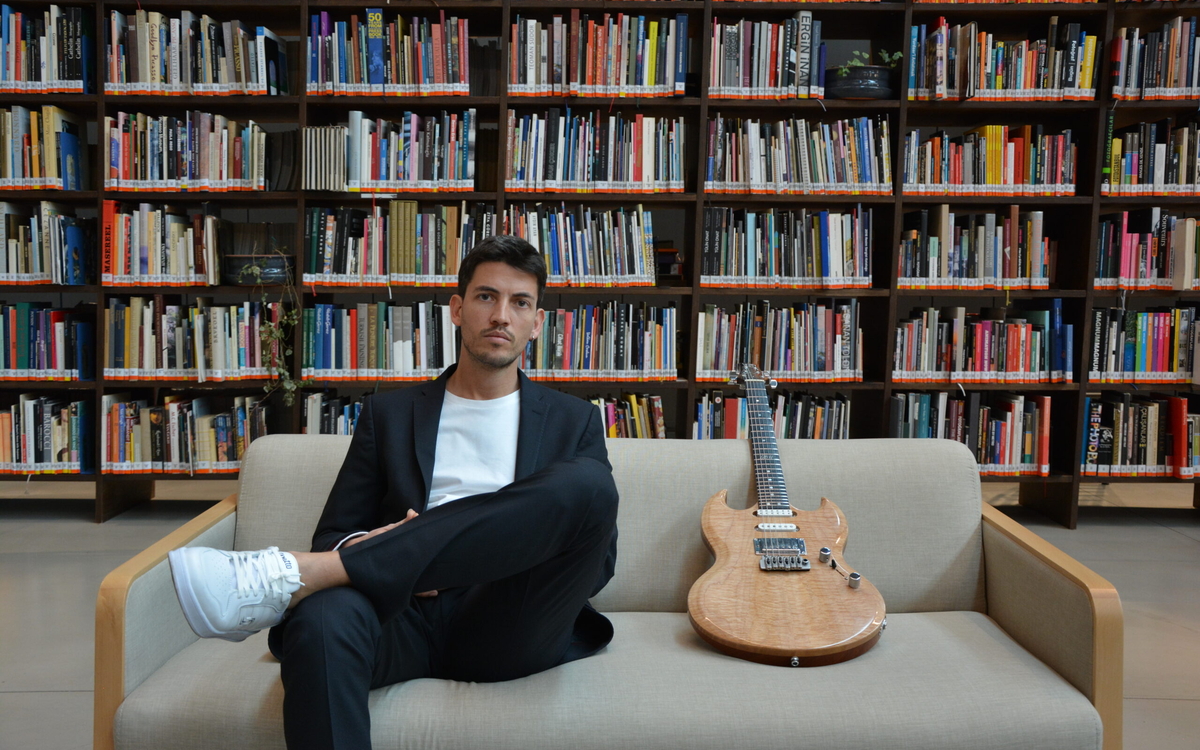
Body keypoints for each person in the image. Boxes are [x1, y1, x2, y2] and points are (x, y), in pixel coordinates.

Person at [167, 235, 619, 750]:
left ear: (537, 323)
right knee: (318, 618)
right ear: (456, 309)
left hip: (510, 619)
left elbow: (597, 560)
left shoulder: (573, 420)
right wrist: (387, 551)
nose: (502, 316)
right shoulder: (390, 415)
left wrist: (442, 557)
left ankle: (290, 575)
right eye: (486, 297)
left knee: (589, 484)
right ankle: (357, 570)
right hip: (401, 613)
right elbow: (334, 534)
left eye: (521, 303)